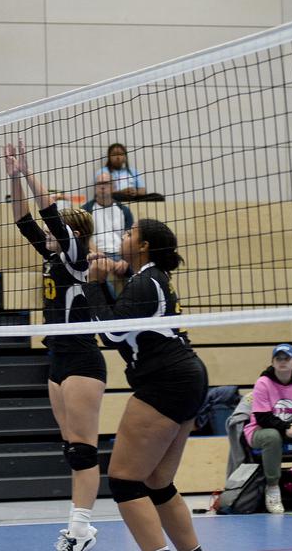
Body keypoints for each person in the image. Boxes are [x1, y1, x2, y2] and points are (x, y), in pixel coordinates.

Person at [4, 139, 104, 551]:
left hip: (82, 355)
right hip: (57, 357)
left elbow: (47, 215)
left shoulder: (76, 257)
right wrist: (13, 179)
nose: (48, 232)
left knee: (84, 450)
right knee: (70, 448)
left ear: (72, 234)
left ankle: (82, 531)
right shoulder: (52, 257)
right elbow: (24, 219)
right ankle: (77, 528)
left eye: (58, 229)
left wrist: (28, 171)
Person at [84, 219, 206, 551]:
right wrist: (110, 272)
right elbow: (128, 306)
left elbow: (112, 333)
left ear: (143, 247)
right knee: (158, 482)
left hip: (164, 381)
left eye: (129, 233)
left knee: (124, 481)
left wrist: (94, 284)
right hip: (186, 377)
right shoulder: (150, 278)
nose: (122, 236)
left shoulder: (144, 283)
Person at [243, 344, 292, 513]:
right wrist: (287, 427)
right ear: (272, 362)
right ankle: (272, 487)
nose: (282, 362)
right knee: (272, 437)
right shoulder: (263, 383)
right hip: (261, 430)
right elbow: (262, 418)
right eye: (278, 358)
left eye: (286, 358)